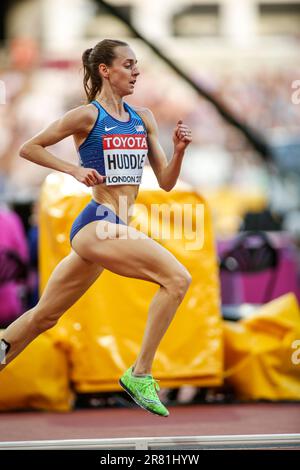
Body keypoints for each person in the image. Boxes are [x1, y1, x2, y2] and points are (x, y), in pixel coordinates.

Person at [0, 39, 192, 417]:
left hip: (115, 225)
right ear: (105, 70)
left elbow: (166, 181)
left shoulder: (144, 118)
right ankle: (141, 373)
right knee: (178, 279)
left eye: (137, 66)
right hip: (98, 223)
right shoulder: (86, 116)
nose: (136, 72)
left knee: (43, 317)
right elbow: (29, 148)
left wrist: (179, 151)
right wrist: (74, 170)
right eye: (128, 65)